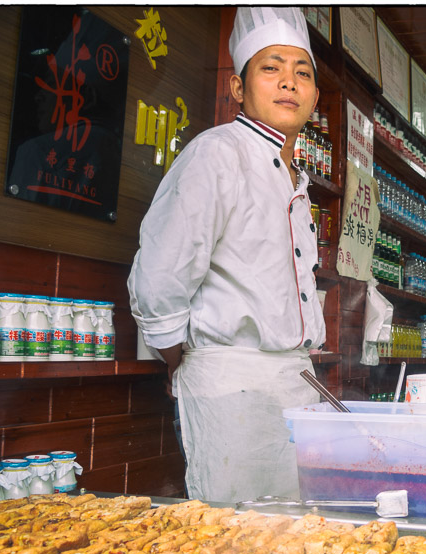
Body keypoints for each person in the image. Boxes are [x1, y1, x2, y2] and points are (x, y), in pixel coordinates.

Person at [128, 7, 325, 503]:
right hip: (231, 386)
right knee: (236, 545)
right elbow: (159, 280)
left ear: (315, 97)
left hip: (296, 383)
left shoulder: (292, 176)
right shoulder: (217, 154)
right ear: (238, 88)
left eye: (302, 72)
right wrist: (186, 359)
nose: (289, 82)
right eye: (271, 67)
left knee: (296, 550)